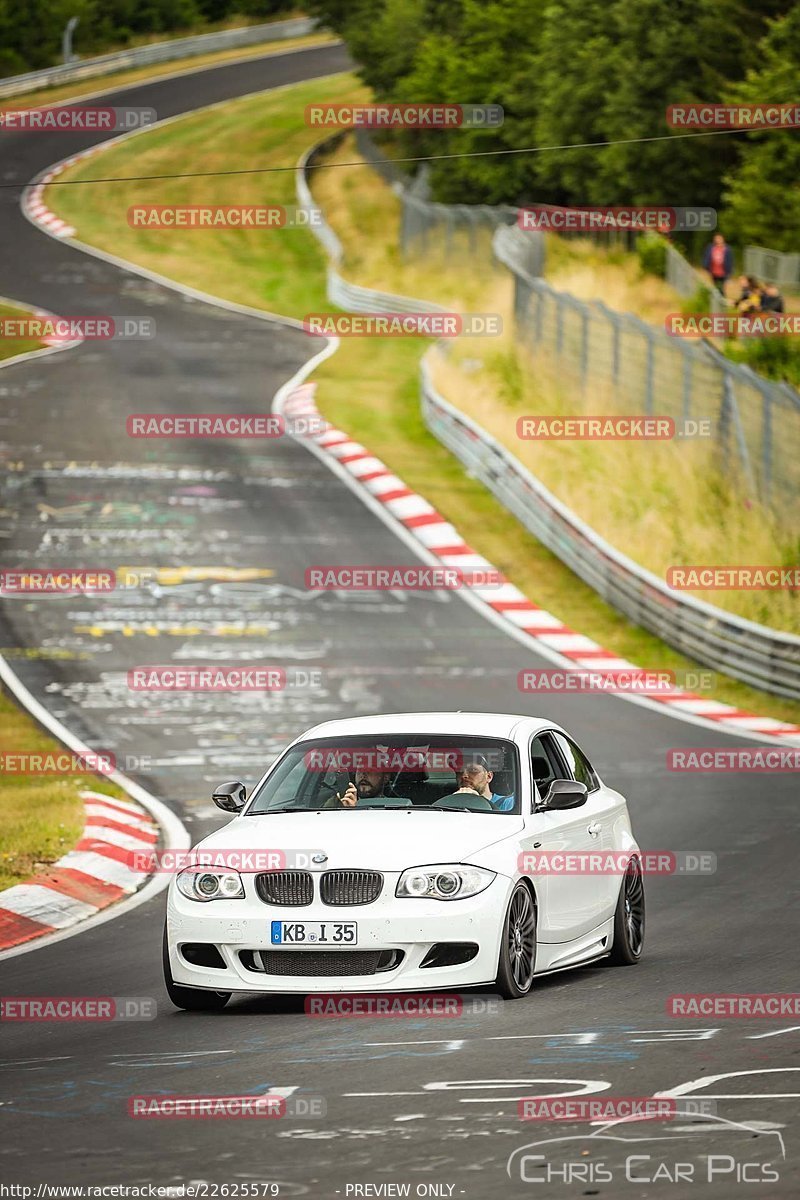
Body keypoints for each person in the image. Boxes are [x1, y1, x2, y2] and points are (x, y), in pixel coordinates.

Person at [324, 766, 392, 808]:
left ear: (386, 777)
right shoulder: (338, 801)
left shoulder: (394, 807)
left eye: (370, 770)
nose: (363, 775)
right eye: (360, 769)